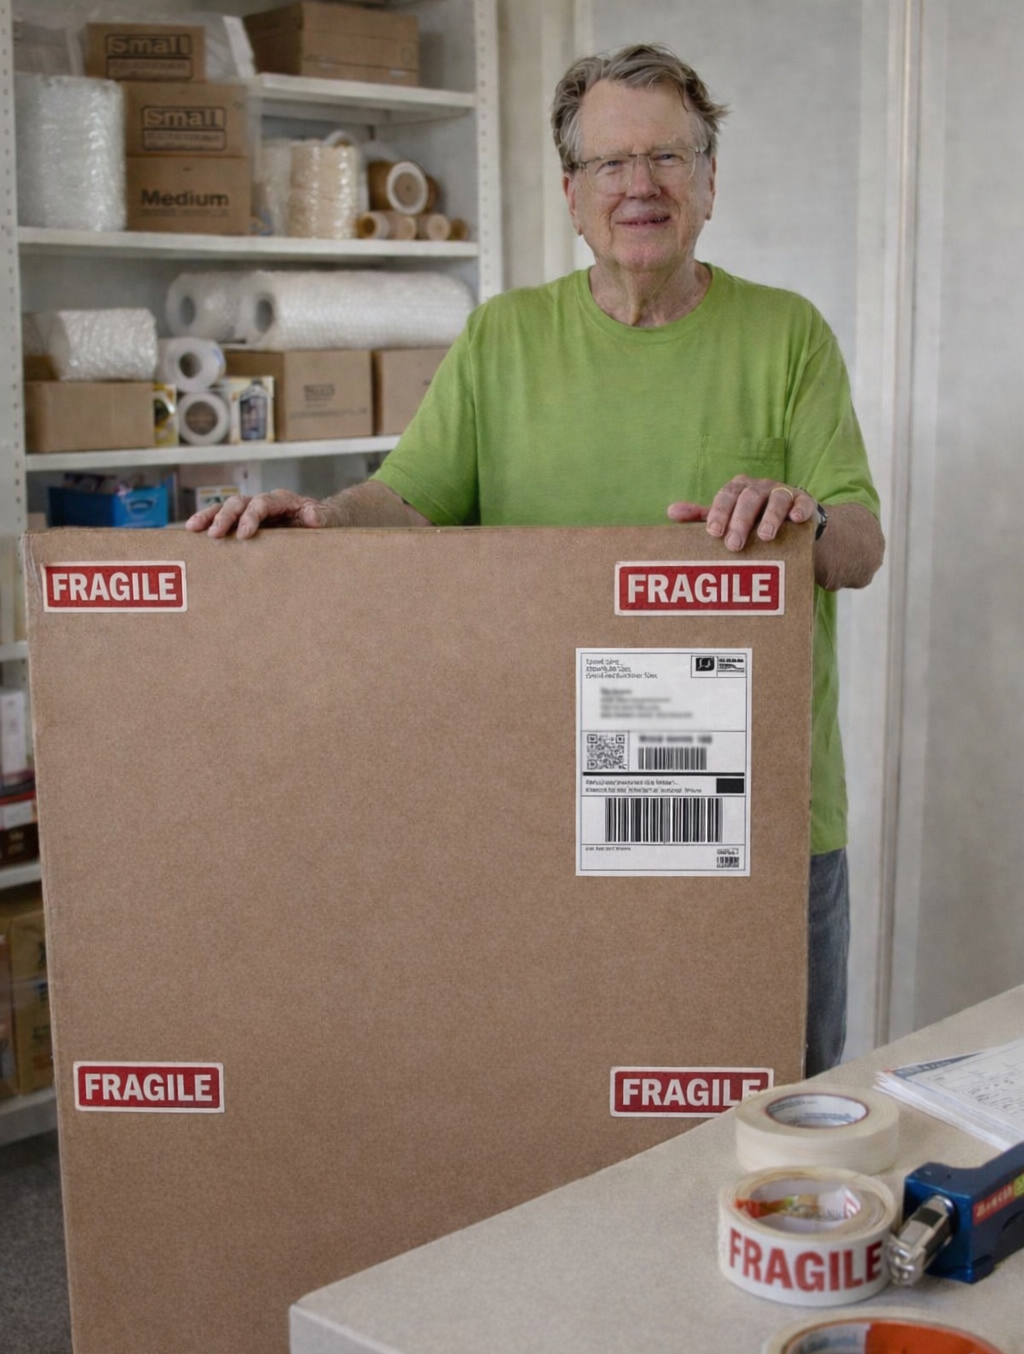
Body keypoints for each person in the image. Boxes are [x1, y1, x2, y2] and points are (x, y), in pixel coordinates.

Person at [187, 43, 884, 1075]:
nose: (639, 184)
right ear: (570, 193)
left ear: (709, 181)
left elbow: (859, 543)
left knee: (777, 1116)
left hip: (762, 811)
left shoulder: (787, 336)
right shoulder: (501, 339)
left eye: (667, 157)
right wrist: (318, 526)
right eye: (609, 163)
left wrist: (801, 524)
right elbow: (409, 501)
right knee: (564, 1112)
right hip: (545, 802)